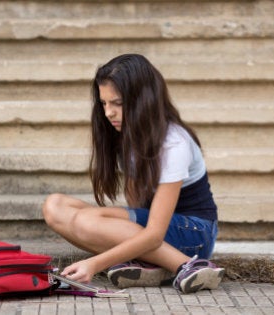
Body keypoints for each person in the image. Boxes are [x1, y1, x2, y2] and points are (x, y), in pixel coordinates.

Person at [42, 54, 224, 294]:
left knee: (87, 221)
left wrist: (94, 264)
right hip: (158, 226)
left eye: (117, 103)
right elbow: (138, 205)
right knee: (55, 206)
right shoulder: (129, 134)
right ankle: (154, 264)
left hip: (195, 234)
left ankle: (187, 265)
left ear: (143, 100)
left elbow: (154, 234)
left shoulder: (173, 143)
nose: (108, 113)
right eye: (104, 103)